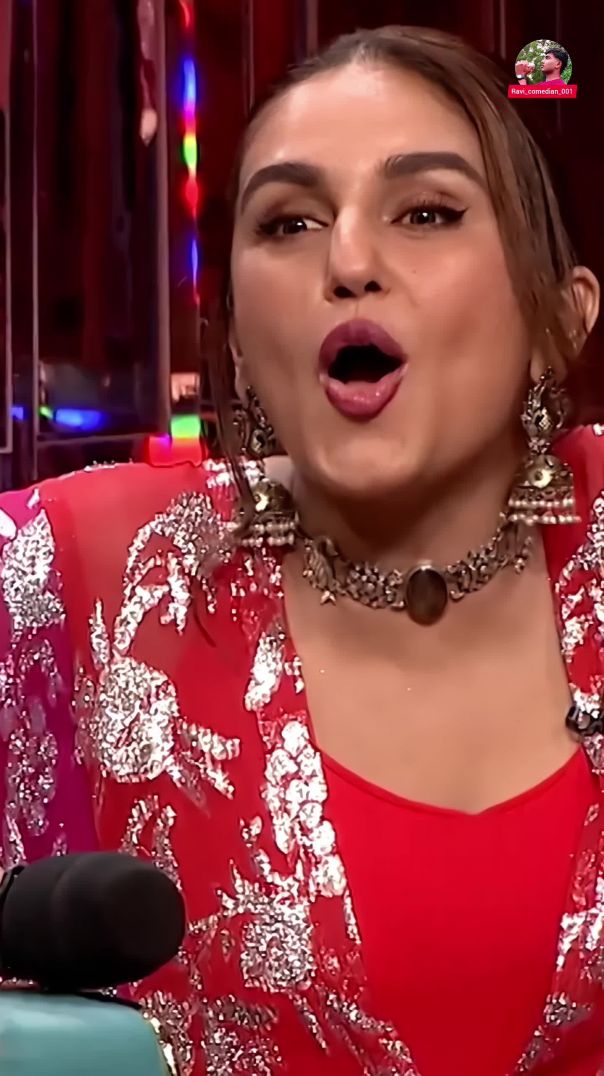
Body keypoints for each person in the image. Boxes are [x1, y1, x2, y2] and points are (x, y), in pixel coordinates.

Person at [0, 23, 602, 1076]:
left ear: (560, 316)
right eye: (289, 223)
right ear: (239, 340)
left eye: (426, 212)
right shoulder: (87, 572)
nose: (349, 263)